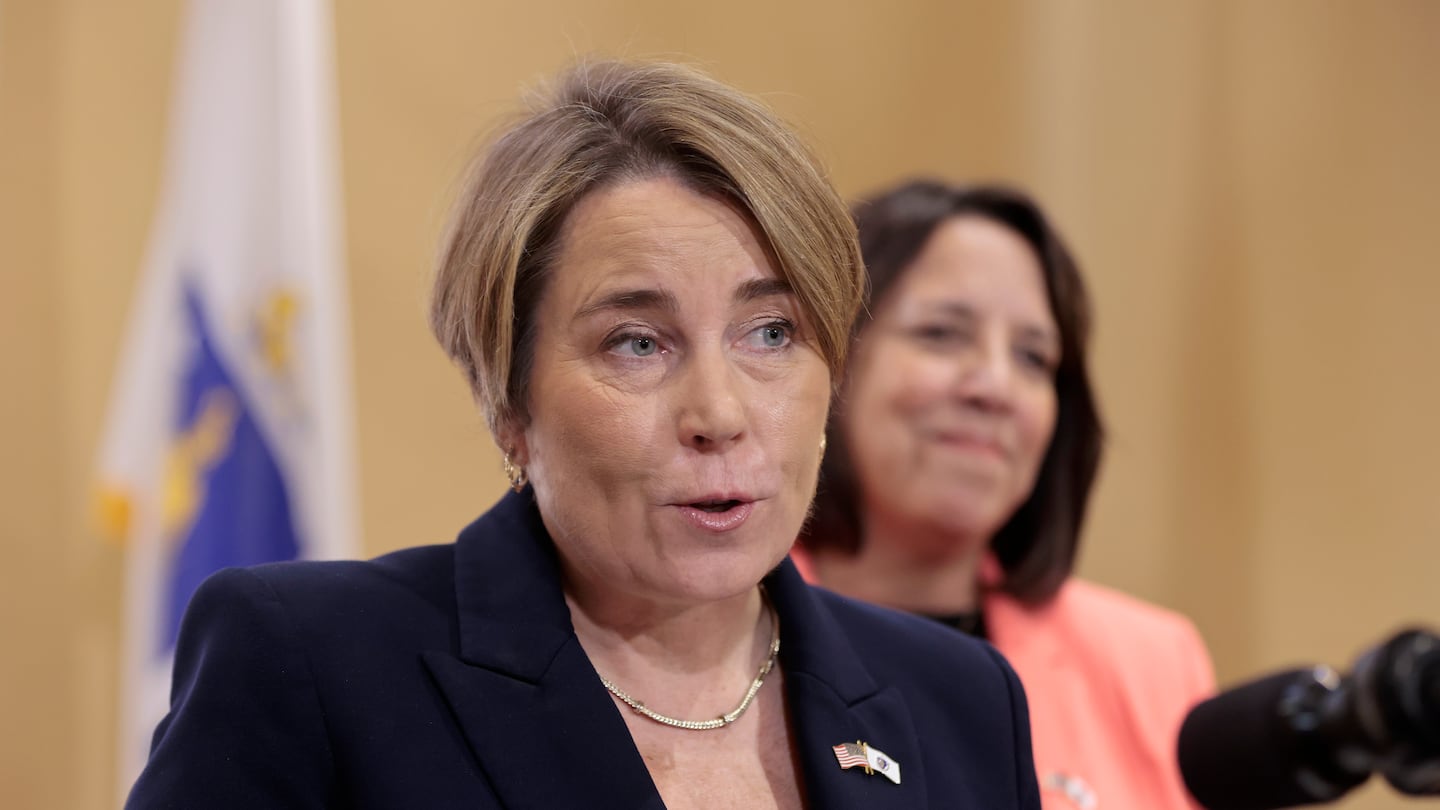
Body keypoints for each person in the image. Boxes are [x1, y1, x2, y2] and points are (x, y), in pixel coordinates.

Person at [126, 63, 1042, 809]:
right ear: (509, 404)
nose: (719, 415)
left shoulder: (958, 701)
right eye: (636, 344)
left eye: (772, 334)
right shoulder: (314, 663)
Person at [796, 180, 1215, 810]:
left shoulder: (1151, 662)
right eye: (941, 333)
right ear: (830, 361)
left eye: (1033, 357)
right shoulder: (709, 638)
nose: (994, 386)